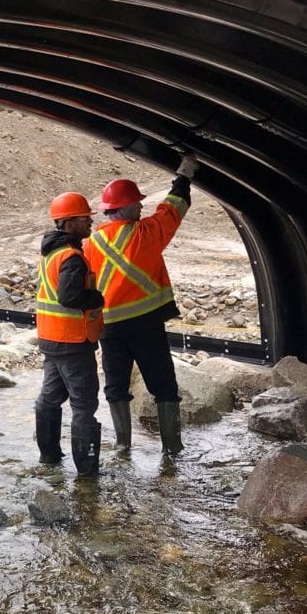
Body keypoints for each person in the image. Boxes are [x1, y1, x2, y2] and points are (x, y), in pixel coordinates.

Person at [83, 154, 199, 455]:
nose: (141, 207)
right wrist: (184, 176)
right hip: (146, 324)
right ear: (128, 207)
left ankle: (123, 447)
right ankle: (172, 448)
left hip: (110, 328)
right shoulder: (146, 232)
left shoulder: (91, 243)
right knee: (164, 386)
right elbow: (174, 208)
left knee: (116, 387)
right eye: (138, 203)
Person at [35, 192, 105, 477]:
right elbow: (70, 297)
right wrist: (97, 298)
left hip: (51, 339)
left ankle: (49, 457)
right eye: (84, 217)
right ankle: (87, 475)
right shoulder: (72, 257)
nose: (90, 221)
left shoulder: (52, 252)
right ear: (68, 223)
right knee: (84, 405)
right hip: (73, 341)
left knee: (49, 398)